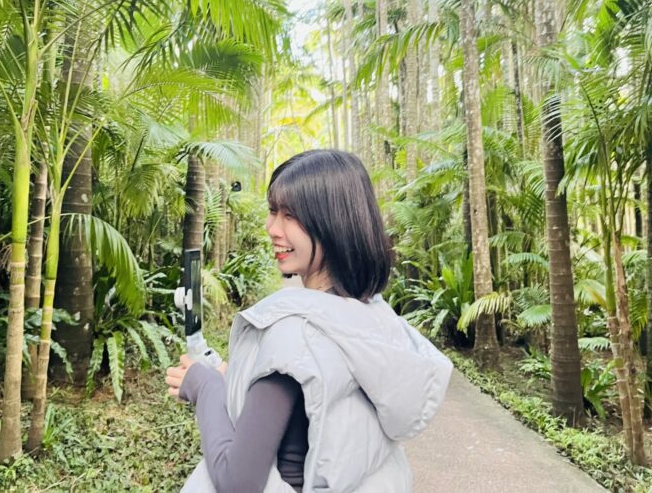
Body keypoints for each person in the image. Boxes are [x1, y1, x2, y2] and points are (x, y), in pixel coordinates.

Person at [165, 149, 452, 493]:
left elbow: (237, 482)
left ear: (334, 224)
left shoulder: (294, 335)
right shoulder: (370, 315)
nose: (272, 228)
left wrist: (204, 385)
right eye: (273, 211)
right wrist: (237, 379)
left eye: (292, 215)